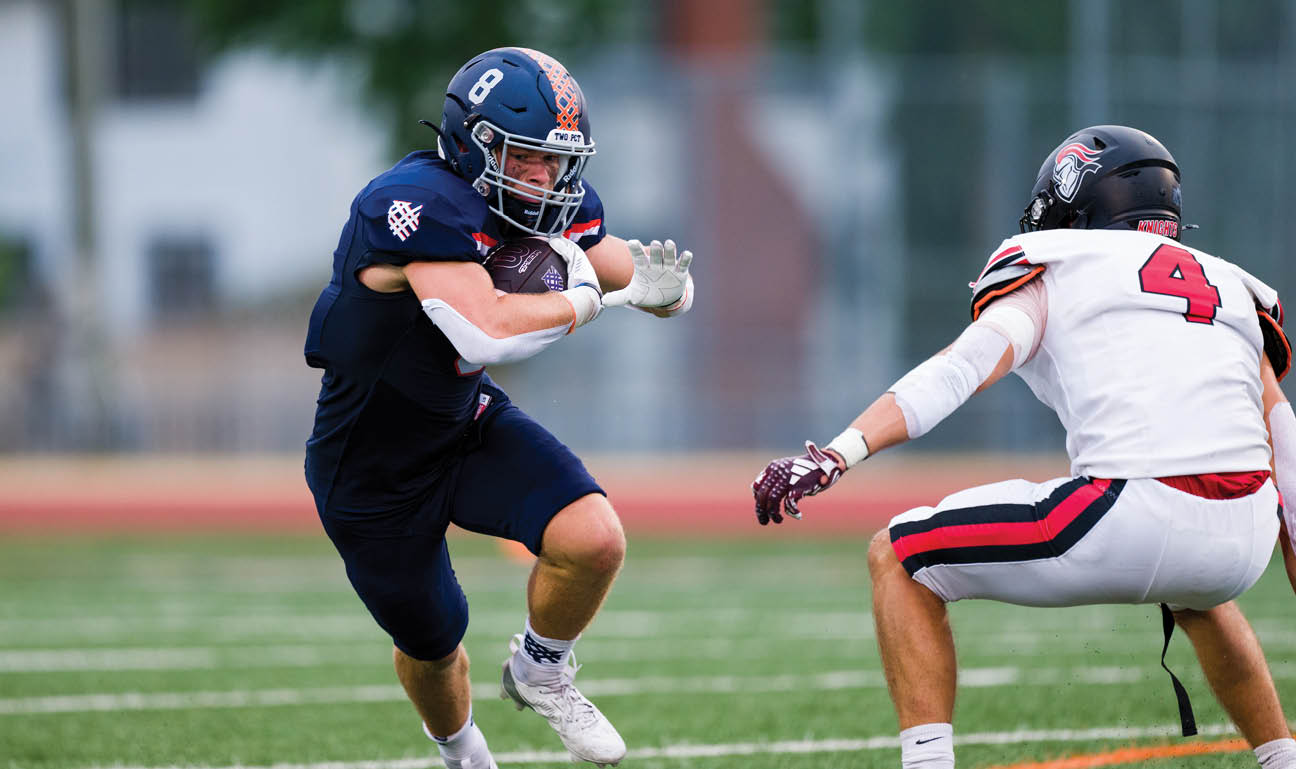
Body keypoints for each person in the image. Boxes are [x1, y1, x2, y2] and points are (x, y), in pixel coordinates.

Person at [752, 125, 1296, 769]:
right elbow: (1283, 439)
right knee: (1201, 596)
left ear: (1076, 200)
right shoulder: (1232, 286)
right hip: (1243, 535)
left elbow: (960, 370)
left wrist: (839, 452)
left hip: (1129, 512)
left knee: (898, 555)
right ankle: (1282, 759)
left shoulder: (1057, 262)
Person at [304, 47, 694, 769]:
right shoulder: (420, 203)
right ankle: (463, 752)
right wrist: (584, 301)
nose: (546, 178)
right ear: (475, 143)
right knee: (435, 645)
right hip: (371, 465)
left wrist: (661, 290)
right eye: (529, 156)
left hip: (462, 421)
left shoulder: (543, 199)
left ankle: (541, 670)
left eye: (557, 160)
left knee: (594, 539)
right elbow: (483, 328)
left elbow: (615, 262)